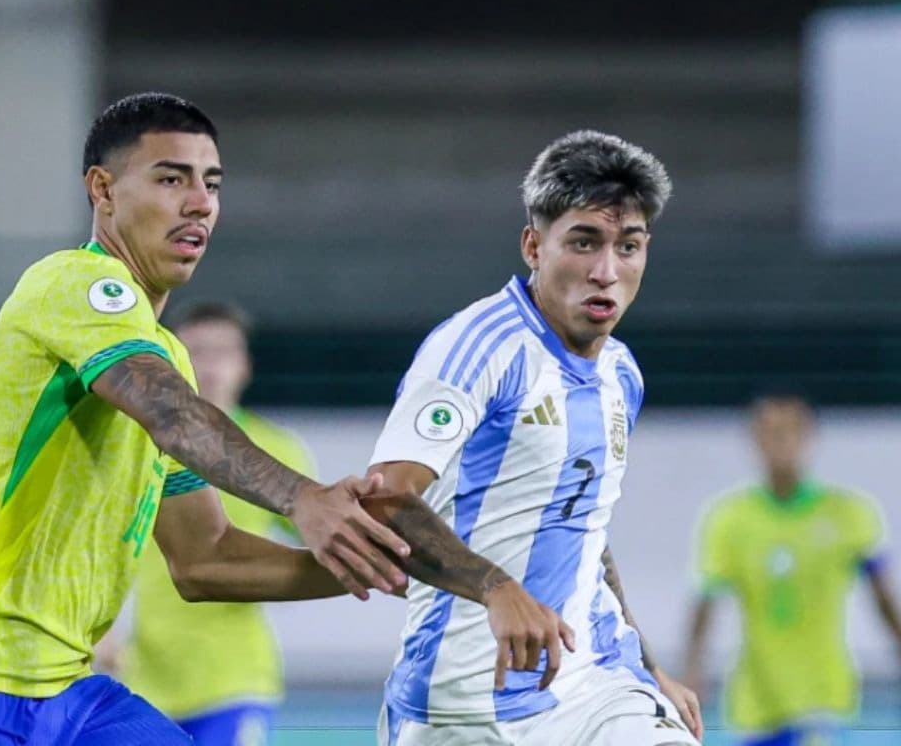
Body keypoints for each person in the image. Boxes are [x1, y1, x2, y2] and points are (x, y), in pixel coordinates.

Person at [0, 92, 414, 745]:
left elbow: (205, 559)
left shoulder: (165, 353)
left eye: (212, 184)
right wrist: (303, 497)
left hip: (70, 695)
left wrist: (379, 564)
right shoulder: (70, 284)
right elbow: (172, 416)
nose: (200, 202)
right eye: (171, 178)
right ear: (103, 190)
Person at [362, 130, 703, 745]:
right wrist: (496, 587)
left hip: (595, 686)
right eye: (584, 242)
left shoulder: (621, 374)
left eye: (629, 246)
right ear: (533, 245)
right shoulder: (478, 348)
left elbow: (584, 527)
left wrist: (649, 670)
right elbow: (384, 498)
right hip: (461, 704)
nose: (607, 271)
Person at [118, 301, 315, 746]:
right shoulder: (138, 443)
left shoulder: (275, 449)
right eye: (197, 352)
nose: (210, 366)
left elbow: (324, 541)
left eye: (223, 352)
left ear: (244, 365)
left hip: (233, 678)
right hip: (145, 678)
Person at [683, 394, 901, 746]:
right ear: (754, 439)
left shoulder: (848, 514)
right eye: (770, 431)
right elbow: (706, 602)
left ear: (808, 436)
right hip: (756, 699)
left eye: (790, 430)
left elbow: (883, 596)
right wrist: (693, 671)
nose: (780, 441)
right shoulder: (729, 519)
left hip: (823, 695)